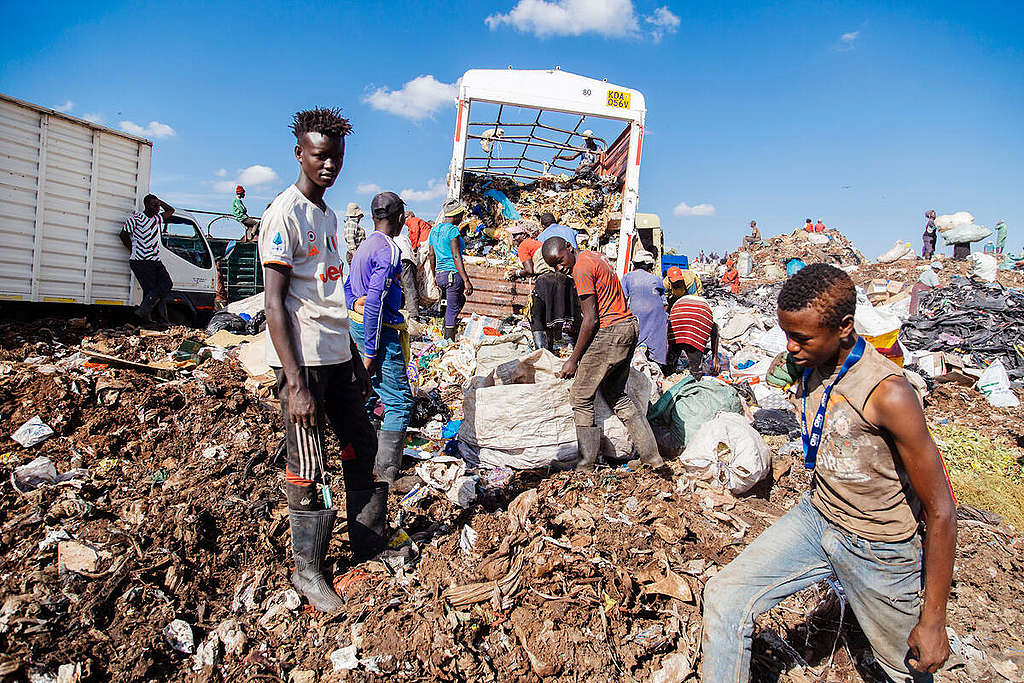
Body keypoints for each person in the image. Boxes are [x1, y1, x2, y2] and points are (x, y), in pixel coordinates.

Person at [703, 263, 955, 683]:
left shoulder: (887, 393)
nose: (791, 347)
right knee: (725, 595)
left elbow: (943, 509)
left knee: (908, 667)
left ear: (845, 327)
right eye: (786, 335)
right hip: (817, 516)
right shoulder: (808, 362)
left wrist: (933, 621)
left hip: (879, 544)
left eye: (801, 338)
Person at [260, 107, 385, 613]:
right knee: (307, 468)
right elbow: (274, 303)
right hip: (303, 365)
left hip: (336, 355)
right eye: (319, 156)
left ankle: (368, 546)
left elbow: (329, 294)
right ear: (299, 155)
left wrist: (353, 355)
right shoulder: (283, 214)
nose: (329, 166)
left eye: (336, 157)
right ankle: (308, 572)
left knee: (362, 445)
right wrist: (295, 384)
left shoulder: (331, 217)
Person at [542, 237, 663, 470]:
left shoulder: (581, 268)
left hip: (612, 331)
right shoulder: (593, 257)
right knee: (616, 395)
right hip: (628, 327)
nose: (560, 268)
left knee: (580, 395)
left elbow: (591, 318)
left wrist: (573, 360)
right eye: (554, 266)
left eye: (559, 260)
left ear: (569, 247)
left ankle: (586, 463)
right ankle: (651, 456)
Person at [345, 191, 416, 488]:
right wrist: (372, 352)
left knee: (371, 394)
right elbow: (374, 302)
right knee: (399, 402)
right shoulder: (389, 251)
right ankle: (385, 473)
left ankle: (366, 458)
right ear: (399, 217)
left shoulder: (364, 246)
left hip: (357, 327)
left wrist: (351, 305)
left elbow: (349, 288)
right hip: (379, 331)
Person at [122, 194, 175, 323]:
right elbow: (123, 234)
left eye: (158, 206)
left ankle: (144, 311)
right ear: (147, 206)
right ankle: (156, 319)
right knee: (151, 290)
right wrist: (134, 249)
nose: (157, 208)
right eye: (154, 205)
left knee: (166, 284)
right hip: (140, 261)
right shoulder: (136, 218)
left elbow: (171, 211)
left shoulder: (157, 219)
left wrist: (160, 202)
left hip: (154, 260)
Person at [429, 199, 474, 339]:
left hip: (441, 274)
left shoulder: (434, 230)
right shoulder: (453, 230)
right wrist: (466, 280)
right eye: (461, 215)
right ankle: (448, 341)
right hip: (453, 274)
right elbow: (456, 255)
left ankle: (448, 327)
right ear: (456, 215)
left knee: (455, 304)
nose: (462, 218)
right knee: (452, 308)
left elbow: (431, 254)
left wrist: (434, 275)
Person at [621, 250, 668, 368]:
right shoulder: (656, 279)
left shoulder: (628, 277)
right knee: (656, 342)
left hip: (636, 314)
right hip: (657, 316)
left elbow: (622, 299)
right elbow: (664, 304)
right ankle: (657, 367)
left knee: (636, 341)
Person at [668, 293, 720, 378]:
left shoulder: (680, 302)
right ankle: (695, 382)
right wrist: (715, 357)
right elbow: (715, 333)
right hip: (698, 319)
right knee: (695, 368)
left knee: (671, 362)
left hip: (678, 317)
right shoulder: (706, 307)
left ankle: (668, 378)